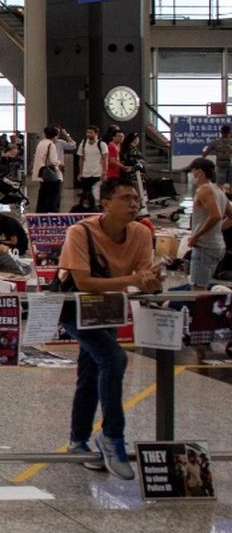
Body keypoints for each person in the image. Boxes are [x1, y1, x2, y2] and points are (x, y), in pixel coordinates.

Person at [58, 179, 161, 480]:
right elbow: (83, 282)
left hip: (107, 310)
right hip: (74, 309)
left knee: (92, 372)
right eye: (126, 198)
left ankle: (78, 441)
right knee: (114, 359)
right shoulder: (80, 232)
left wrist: (152, 282)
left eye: (136, 198)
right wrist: (133, 280)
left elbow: (144, 275)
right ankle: (112, 436)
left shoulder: (142, 233)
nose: (134, 203)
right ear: (104, 203)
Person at [185, 158, 226, 289]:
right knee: (205, 285)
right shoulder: (219, 191)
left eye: (193, 172)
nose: (192, 176)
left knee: (198, 290)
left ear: (200, 172)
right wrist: (218, 229)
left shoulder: (204, 190)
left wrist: (196, 235)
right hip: (217, 245)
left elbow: (215, 216)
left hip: (204, 246)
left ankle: (201, 310)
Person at [32, 124, 74, 214]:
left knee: (43, 196)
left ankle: (41, 214)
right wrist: (60, 163)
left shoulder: (41, 143)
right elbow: (53, 160)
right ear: (55, 135)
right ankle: (52, 214)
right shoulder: (51, 145)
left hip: (42, 173)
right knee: (54, 197)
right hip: (50, 175)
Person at [74, 125, 105, 212]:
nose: (88, 134)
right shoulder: (83, 144)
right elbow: (81, 158)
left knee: (96, 194)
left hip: (97, 173)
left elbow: (105, 158)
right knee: (86, 194)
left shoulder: (101, 145)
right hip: (86, 173)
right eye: (87, 132)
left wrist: (104, 172)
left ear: (96, 133)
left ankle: (97, 211)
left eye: (91, 132)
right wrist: (80, 172)